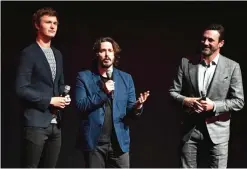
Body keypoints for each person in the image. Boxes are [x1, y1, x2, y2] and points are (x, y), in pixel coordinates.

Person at [169, 23, 244, 168]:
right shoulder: (186, 63)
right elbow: (172, 92)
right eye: (204, 39)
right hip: (190, 130)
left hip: (218, 132)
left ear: (221, 43)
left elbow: (239, 101)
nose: (206, 43)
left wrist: (214, 105)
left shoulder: (232, 67)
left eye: (211, 40)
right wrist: (187, 101)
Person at [75, 37, 150, 168]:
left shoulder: (126, 78)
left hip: (119, 143)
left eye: (110, 50)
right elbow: (81, 105)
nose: (107, 54)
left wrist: (138, 106)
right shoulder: (84, 77)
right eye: (103, 51)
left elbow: (131, 111)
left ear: (114, 54)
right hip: (95, 144)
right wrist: (103, 93)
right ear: (97, 54)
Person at [15, 7, 71, 168]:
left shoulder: (57, 54)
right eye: (48, 22)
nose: (53, 26)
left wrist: (64, 96)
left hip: (56, 124)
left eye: (55, 23)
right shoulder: (29, 53)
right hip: (35, 123)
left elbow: (59, 83)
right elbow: (21, 88)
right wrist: (50, 100)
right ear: (37, 25)